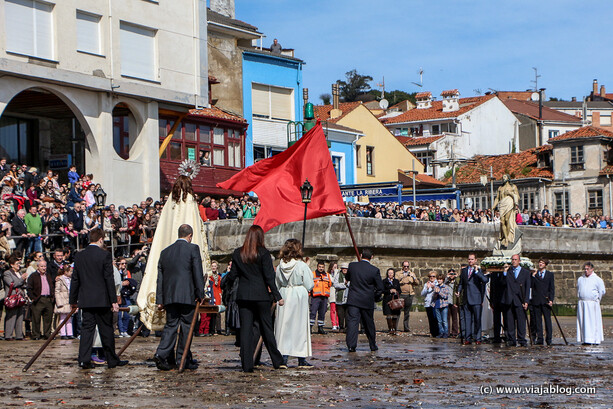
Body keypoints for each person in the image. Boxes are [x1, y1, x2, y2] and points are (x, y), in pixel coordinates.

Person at [137, 175, 210, 332]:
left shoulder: (170, 201)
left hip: (169, 255)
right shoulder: (190, 200)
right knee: (185, 324)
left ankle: (165, 353)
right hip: (186, 272)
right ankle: (180, 353)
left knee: (171, 325)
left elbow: (164, 230)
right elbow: (195, 230)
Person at [226, 225, 285, 372]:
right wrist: (278, 296)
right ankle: (277, 361)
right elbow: (269, 277)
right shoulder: (264, 253)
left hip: (244, 295)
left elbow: (232, 276)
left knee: (246, 330)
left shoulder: (238, 253)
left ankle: (247, 364)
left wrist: (226, 290)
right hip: (261, 295)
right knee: (266, 329)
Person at [69, 228, 128, 369]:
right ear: (101, 239)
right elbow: (109, 278)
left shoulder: (79, 256)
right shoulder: (105, 255)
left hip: (86, 300)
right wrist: (113, 300)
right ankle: (112, 360)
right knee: (106, 330)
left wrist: (73, 300)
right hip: (102, 300)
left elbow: (75, 280)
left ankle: (83, 359)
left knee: (87, 330)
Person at [153, 224, 205, 371]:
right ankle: (182, 358)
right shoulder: (193, 249)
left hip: (170, 296)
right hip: (187, 295)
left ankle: (161, 353)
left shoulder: (165, 252)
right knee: (187, 328)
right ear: (190, 236)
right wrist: (200, 294)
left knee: (170, 326)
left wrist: (160, 299)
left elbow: (160, 279)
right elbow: (197, 273)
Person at [274, 239, 315, 368]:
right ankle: (301, 359)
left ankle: (283, 358)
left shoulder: (280, 266)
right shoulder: (301, 265)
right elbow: (309, 284)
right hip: (298, 295)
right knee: (299, 327)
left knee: (284, 327)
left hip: (285, 294)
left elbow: (277, 283)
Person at [345, 248, 383, 352]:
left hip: (353, 299)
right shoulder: (374, 270)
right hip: (367, 300)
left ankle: (351, 345)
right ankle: (372, 344)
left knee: (352, 323)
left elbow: (347, 277)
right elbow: (380, 287)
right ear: (372, 257)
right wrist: (374, 297)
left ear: (361, 255)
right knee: (368, 323)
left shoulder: (352, 266)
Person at [458, 253, 489, 345]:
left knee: (477, 319)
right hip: (466, 298)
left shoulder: (479, 271)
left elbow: (485, 280)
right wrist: (459, 291)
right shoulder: (464, 271)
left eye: (472, 259)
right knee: (467, 319)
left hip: (476, 298)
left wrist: (477, 272)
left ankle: (478, 337)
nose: (470, 261)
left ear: (475, 260)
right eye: (469, 259)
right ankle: (468, 337)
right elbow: (461, 283)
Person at [500, 254, 531, 347]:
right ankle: (511, 339)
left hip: (520, 300)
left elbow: (527, 287)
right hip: (509, 299)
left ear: (519, 261)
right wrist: (504, 272)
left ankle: (521, 339)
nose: (514, 261)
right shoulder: (508, 272)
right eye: (512, 259)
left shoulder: (525, 272)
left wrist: (526, 301)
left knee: (521, 321)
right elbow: (503, 284)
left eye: (515, 259)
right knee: (510, 321)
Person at [576, 261, 606, 345]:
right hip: (582, 303)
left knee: (592, 322)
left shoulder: (597, 279)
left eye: (588, 269)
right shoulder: (580, 279)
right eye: (585, 269)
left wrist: (596, 299)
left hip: (592, 304)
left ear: (592, 269)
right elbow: (578, 289)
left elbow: (602, 291)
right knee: (583, 322)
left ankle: (594, 339)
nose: (586, 271)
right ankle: (585, 339)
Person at [27, 259, 55, 340]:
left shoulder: (48, 275)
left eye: (45, 266)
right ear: (38, 267)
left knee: (48, 318)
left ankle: (47, 334)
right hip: (38, 299)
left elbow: (52, 286)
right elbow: (29, 288)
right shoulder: (33, 276)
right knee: (36, 318)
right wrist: (33, 298)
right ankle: (36, 335)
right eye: (41, 266)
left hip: (48, 299)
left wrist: (52, 297)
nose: (43, 268)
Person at [530, 258, 555, 345]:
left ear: (545, 264)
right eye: (539, 262)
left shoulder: (549, 275)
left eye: (542, 263)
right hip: (536, 300)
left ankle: (549, 338)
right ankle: (539, 338)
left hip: (546, 300)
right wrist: (533, 276)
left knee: (547, 320)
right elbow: (531, 286)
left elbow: (552, 288)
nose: (540, 264)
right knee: (538, 321)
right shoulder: (535, 275)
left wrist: (551, 299)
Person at [3, 254, 26, 340]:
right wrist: (22, 279)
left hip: (20, 297)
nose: (19, 265)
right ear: (12, 264)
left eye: (19, 264)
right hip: (12, 297)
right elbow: (12, 284)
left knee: (20, 316)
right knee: (11, 316)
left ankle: (19, 335)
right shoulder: (7, 273)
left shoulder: (19, 273)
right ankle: (8, 335)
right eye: (17, 264)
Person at [395, 261, 418, 332]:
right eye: (405, 266)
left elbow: (417, 283)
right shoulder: (398, 274)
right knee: (398, 311)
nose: (406, 268)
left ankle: (406, 327)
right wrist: (403, 278)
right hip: (401, 294)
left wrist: (413, 278)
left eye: (407, 266)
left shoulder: (412, 273)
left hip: (409, 294)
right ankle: (394, 327)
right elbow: (396, 282)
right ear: (402, 266)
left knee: (407, 312)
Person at [310, 261, 332, 334]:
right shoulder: (313, 274)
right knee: (313, 312)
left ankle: (320, 327)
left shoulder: (327, 275)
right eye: (320, 267)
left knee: (322, 313)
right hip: (315, 297)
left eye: (322, 267)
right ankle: (310, 327)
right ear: (317, 267)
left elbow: (330, 284)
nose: (321, 268)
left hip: (324, 297)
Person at [55, 264, 75, 339]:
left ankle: (70, 333)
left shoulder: (70, 279)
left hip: (69, 301)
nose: (71, 273)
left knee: (69, 317)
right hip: (63, 300)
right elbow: (57, 291)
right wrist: (59, 302)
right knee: (63, 318)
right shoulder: (60, 279)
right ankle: (63, 333)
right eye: (70, 271)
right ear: (65, 272)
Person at [382, 268, 401, 335]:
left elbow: (400, 290)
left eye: (391, 273)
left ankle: (394, 328)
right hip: (387, 299)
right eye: (389, 273)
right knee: (388, 314)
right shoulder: (384, 281)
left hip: (395, 300)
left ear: (393, 274)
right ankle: (390, 329)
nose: (390, 274)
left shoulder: (396, 281)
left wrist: (396, 291)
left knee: (395, 314)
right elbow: (382, 290)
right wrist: (389, 291)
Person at [433, 272, 451, 338]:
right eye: (438, 279)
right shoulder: (436, 286)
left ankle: (446, 333)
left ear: (443, 280)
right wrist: (435, 293)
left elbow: (445, 296)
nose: (439, 280)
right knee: (439, 321)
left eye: (440, 279)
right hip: (437, 305)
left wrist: (439, 292)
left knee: (444, 321)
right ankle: (441, 332)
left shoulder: (445, 287)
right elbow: (434, 297)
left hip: (444, 305)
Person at [421, 272, 439, 338]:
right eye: (430, 276)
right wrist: (427, 288)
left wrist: (434, 287)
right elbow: (422, 294)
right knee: (430, 319)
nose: (432, 278)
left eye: (433, 276)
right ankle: (432, 332)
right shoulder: (426, 284)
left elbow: (438, 291)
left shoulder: (437, 283)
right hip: (428, 303)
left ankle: (437, 332)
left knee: (436, 318)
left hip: (435, 303)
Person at [333, 262, 349, 332]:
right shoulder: (338, 275)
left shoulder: (350, 276)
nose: (345, 270)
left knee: (348, 314)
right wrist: (344, 285)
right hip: (339, 298)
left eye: (346, 268)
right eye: (343, 268)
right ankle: (341, 327)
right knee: (340, 314)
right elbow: (335, 284)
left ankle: (347, 327)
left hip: (348, 297)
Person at [445, 269, 460, 337]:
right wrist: (446, 277)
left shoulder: (456, 282)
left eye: (453, 274)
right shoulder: (446, 282)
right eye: (450, 274)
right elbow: (442, 283)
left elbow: (460, 283)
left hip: (454, 302)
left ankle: (455, 332)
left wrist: (457, 277)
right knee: (447, 318)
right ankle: (447, 332)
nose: (451, 275)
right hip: (447, 301)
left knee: (455, 318)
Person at [327, 262, 340, 331]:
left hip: (337, 294)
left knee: (338, 310)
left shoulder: (339, 274)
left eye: (336, 267)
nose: (336, 269)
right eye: (334, 267)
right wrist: (335, 273)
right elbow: (333, 281)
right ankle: (333, 324)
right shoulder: (328, 275)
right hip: (332, 294)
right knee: (333, 310)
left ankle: (338, 323)